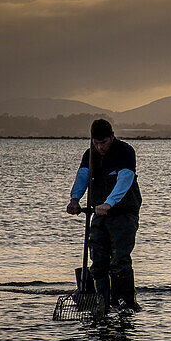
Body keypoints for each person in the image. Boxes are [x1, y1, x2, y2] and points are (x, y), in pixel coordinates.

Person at [65, 119, 142, 311]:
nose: (100, 147)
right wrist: (75, 199)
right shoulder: (90, 154)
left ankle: (126, 302)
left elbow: (125, 178)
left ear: (112, 137)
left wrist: (109, 203)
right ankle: (101, 301)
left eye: (104, 142)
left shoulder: (125, 151)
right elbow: (83, 175)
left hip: (124, 213)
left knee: (119, 260)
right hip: (98, 212)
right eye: (96, 143)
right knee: (98, 260)